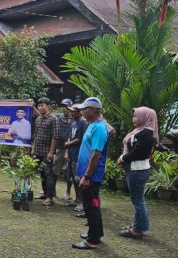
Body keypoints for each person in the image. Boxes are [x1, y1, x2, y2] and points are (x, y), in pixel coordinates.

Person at [72, 97, 108, 250]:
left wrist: (87, 176)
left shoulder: (99, 128)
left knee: (91, 206)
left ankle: (93, 240)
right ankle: (95, 232)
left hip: (92, 175)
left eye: (85, 109)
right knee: (90, 205)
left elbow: (96, 154)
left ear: (94, 110)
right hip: (86, 173)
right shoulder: (92, 125)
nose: (82, 111)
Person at [117, 107, 158, 239]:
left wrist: (123, 158)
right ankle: (137, 225)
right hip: (134, 169)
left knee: (138, 200)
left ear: (145, 117)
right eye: (133, 116)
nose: (134, 119)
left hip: (137, 170)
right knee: (137, 199)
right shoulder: (140, 131)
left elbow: (138, 152)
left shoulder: (146, 133)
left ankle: (138, 229)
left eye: (136, 116)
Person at [32, 97, 60, 206]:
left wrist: (51, 152)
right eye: (39, 106)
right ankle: (45, 193)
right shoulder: (38, 119)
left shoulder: (53, 119)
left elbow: (55, 136)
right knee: (42, 173)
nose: (40, 107)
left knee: (48, 173)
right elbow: (36, 135)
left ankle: (50, 197)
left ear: (48, 107)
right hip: (38, 150)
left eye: (42, 105)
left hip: (47, 152)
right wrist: (34, 148)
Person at [64, 105, 87, 210]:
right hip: (71, 154)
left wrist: (67, 144)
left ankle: (82, 201)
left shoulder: (83, 124)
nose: (72, 113)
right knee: (72, 178)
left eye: (74, 112)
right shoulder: (73, 123)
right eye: (71, 112)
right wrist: (67, 153)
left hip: (78, 155)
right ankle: (77, 199)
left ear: (80, 112)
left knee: (78, 179)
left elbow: (79, 139)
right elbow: (70, 137)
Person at [53, 98, 73, 201]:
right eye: (63, 106)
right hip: (60, 148)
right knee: (55, 169)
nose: (65, 109)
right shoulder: (57, 117)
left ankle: (68, 192)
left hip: (71, 149)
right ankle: (52, 190)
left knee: (70, 172)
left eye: (67, 107)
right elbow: (42, 115)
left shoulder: (75, 118)